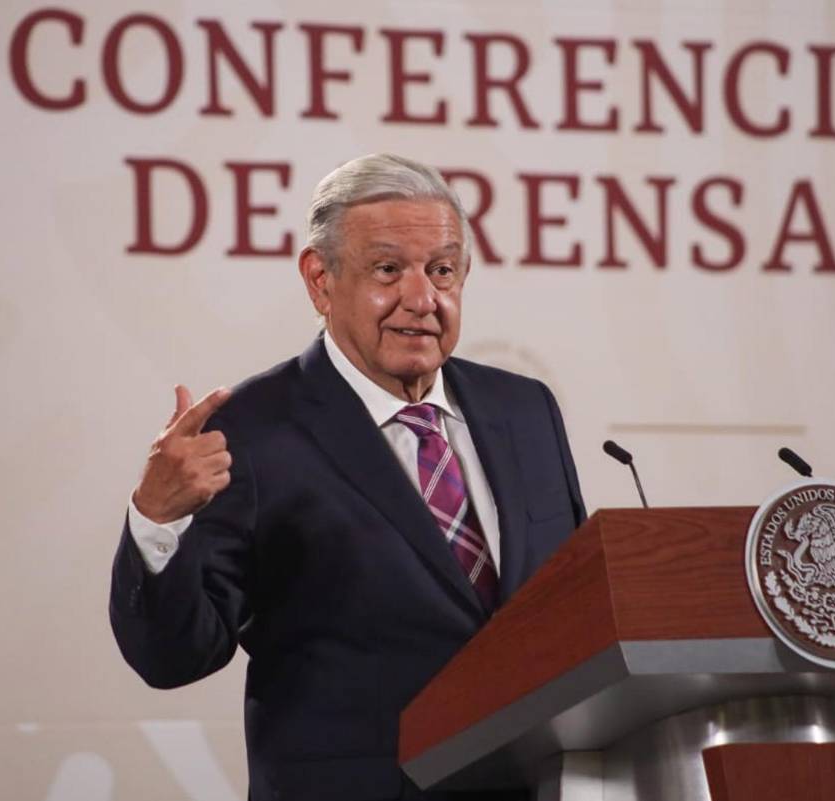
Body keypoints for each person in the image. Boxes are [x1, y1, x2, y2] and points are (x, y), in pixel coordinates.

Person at [110, 153, 586, 801]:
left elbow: (573, 608)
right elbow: (173, 656)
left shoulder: (525, 410)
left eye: (442, 270)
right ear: (320, 279)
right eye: (388, 270)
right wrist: (156, 519)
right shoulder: (251, 431)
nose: (422, 299)